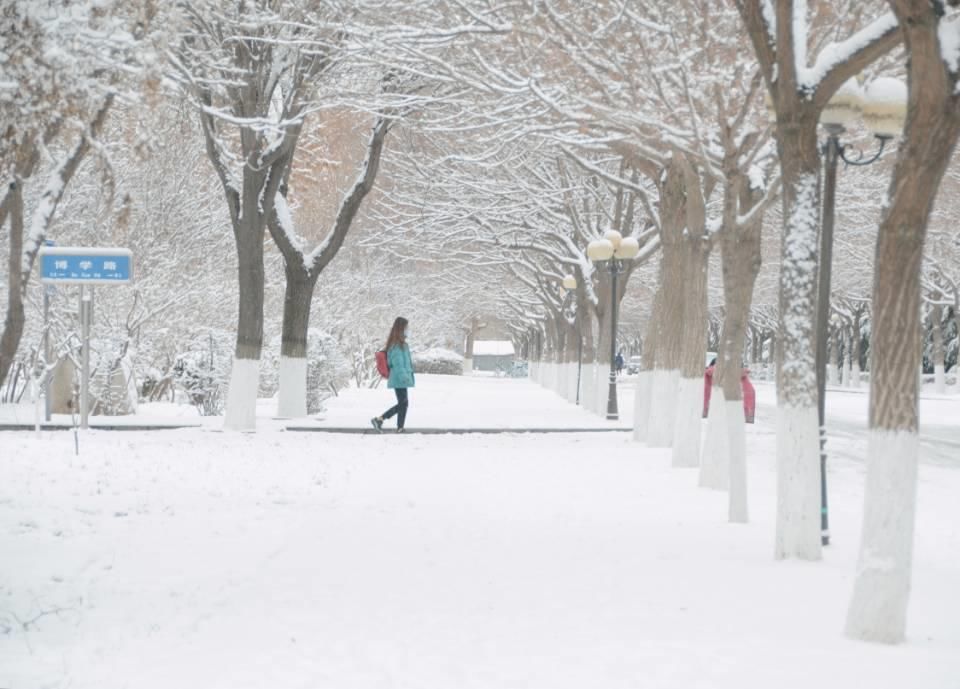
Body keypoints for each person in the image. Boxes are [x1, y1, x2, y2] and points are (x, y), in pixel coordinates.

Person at [371, 317, 415, 433]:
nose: (408, 330)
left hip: (401, 378)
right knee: (403, 403)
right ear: (401, 329)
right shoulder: (396, 346)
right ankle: (380, 419)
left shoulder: (401, 345)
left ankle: (400, 427)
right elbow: (398, 364)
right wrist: (404, 377)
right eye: (406, 328)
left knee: (403, 403)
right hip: (399, 378)